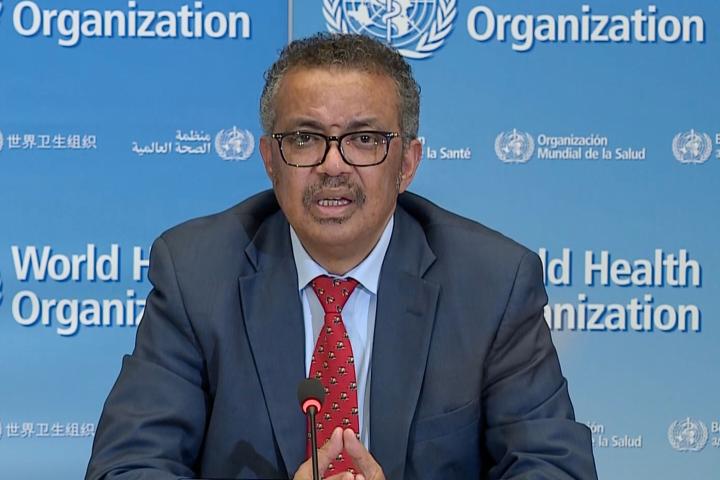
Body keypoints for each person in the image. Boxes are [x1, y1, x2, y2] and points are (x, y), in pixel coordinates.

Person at [86, 33, 597, 480]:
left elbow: (554, 467)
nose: (333, 165)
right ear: (270, 160)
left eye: (364, 139)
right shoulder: (196, 274)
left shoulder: (492, 284)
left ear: (408, 163)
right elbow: (128, 465)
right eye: (305, 139)